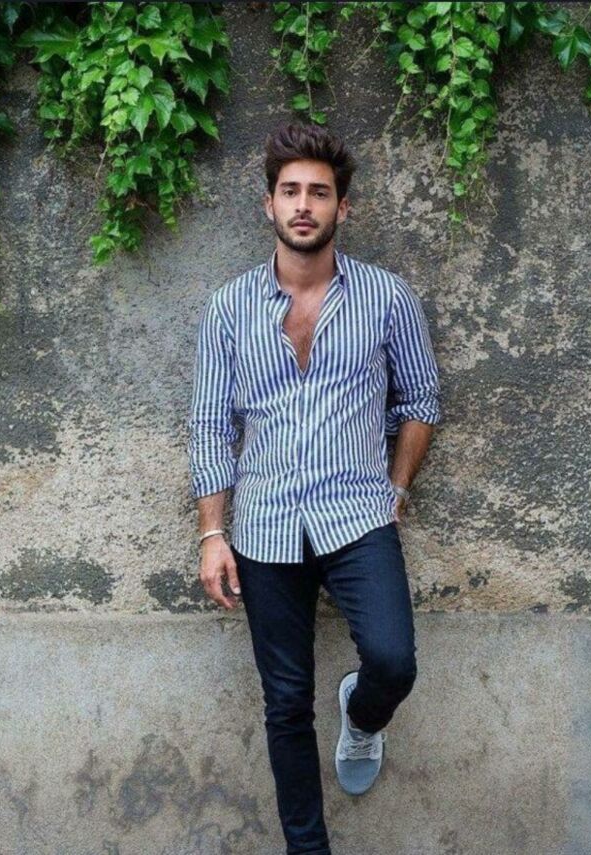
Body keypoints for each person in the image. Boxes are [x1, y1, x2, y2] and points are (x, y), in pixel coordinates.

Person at [187, 120, 442, 855]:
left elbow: (421, 401)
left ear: (342, 208)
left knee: (392, 661)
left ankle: (362, 716)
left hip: (358, 516)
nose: (304, 204)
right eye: (291, 191)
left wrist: (395, 488)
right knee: (286, 703)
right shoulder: (228, 308)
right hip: (264, 526)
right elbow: (209, 425)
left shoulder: (386, 297)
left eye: (319, 193)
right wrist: (212, 533)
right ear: (269, 203)